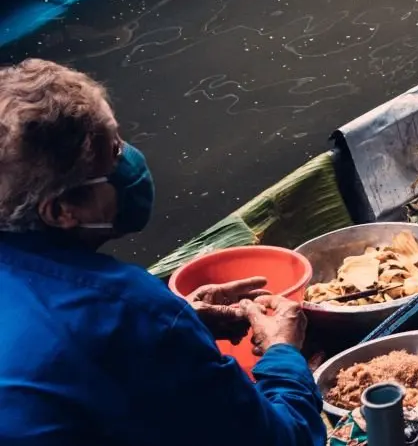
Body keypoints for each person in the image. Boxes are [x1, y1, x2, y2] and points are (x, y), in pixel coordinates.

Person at [0, 59, 324, 446]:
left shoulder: (128, 313)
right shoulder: (128, 311)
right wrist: (284, 353)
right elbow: (285, 441)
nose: (131, 164)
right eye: (116, 154)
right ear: (61, 210)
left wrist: (184, 322)